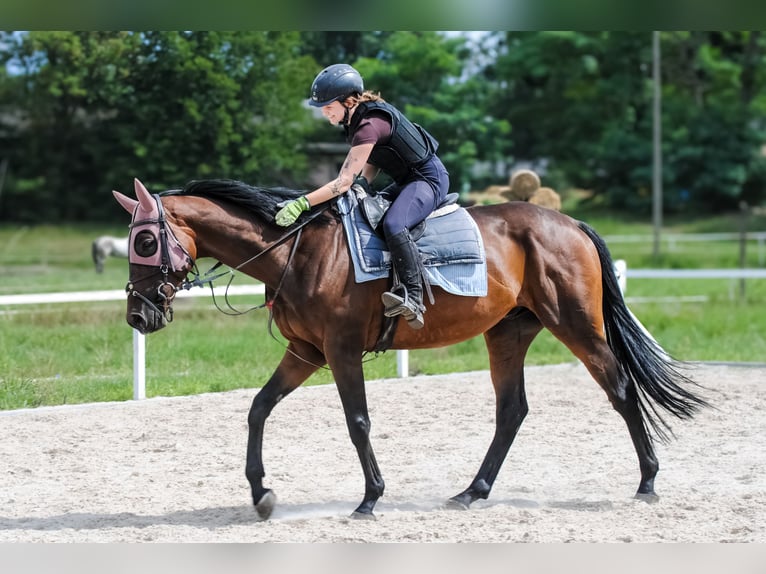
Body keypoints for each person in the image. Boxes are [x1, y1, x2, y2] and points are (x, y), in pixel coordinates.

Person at [275, 63, 450, 330]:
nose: (324, 112)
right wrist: (363, 184)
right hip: (406, 181)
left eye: (328, 106)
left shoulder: (368, 125)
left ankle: (413, 297)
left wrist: (302, 203)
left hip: (428, 180)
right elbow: (375, 160)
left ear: (348, 101)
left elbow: (342, 182)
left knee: (394, 224)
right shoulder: (358, 120)